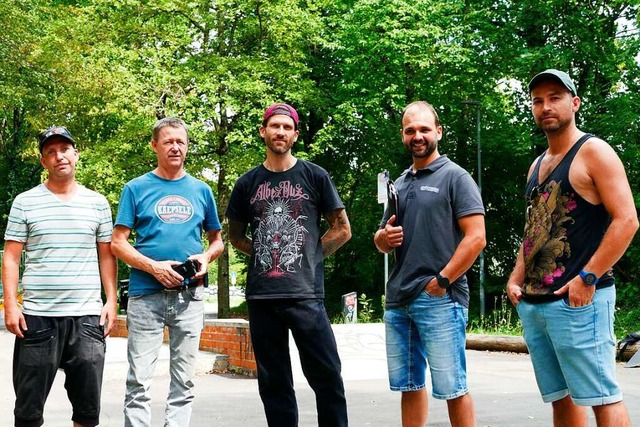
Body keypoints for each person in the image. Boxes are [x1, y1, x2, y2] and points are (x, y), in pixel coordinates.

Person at [506, 69, 638, 426]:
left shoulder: (594, 151)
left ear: (574, 102)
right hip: (535, 304)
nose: (545, 106)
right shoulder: (537, 165)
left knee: (601, 398)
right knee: (561, 400)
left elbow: (627, 220)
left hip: (578, 303)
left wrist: (588, 277)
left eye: (555, 97)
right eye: (538, 100)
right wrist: (515, 279)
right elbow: (535, 229)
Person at [226, 103, 352, 427]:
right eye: (274, 126)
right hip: (262, 298)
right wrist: (267, 253)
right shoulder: (246, 183)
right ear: (263, 131)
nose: (280, 131)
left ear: (295, 134)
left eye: (286, 127)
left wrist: (306, 254)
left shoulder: (315, 176)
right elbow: (236, 236)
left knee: (327, 377)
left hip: (306, 295)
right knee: (274, 384)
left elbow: (342, 229)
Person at [374, 101, 486, 427]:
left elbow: (476, 237)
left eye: (424, 129)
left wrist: (443, 281)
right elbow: (382, 238)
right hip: (399, 300)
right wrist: (383, 238)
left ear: (438, 131)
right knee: (409, 386)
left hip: (439, 298)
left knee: (453, 387)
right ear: (403, 136)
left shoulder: (456, 177)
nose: (418, 136)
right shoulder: (400, 183)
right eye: (411, 130)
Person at [110, 117, 224, 427]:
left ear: (187, 147)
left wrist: (206, 256)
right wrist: (153, 267)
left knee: (184, 383)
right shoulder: (135, 188)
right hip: (145, 295)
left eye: (180, 142)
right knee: (138, 382)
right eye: (168, 141)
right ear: (155, 146)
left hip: (189, 296)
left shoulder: (201, 190)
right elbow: (118, 243)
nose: (175, 147)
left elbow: (217, 241)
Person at [2, 126, 117, 427]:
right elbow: (12, 257)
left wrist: (111, 300)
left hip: (87, 318)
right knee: (27, 413)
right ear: (44, 162)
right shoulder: (25, 202)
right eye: (50, 152)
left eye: (64, 149)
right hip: (37, 319)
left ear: (75, 154)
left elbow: (106, 255)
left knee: (87, 412)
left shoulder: (98, 203)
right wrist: (11, 305)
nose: (58, 156)